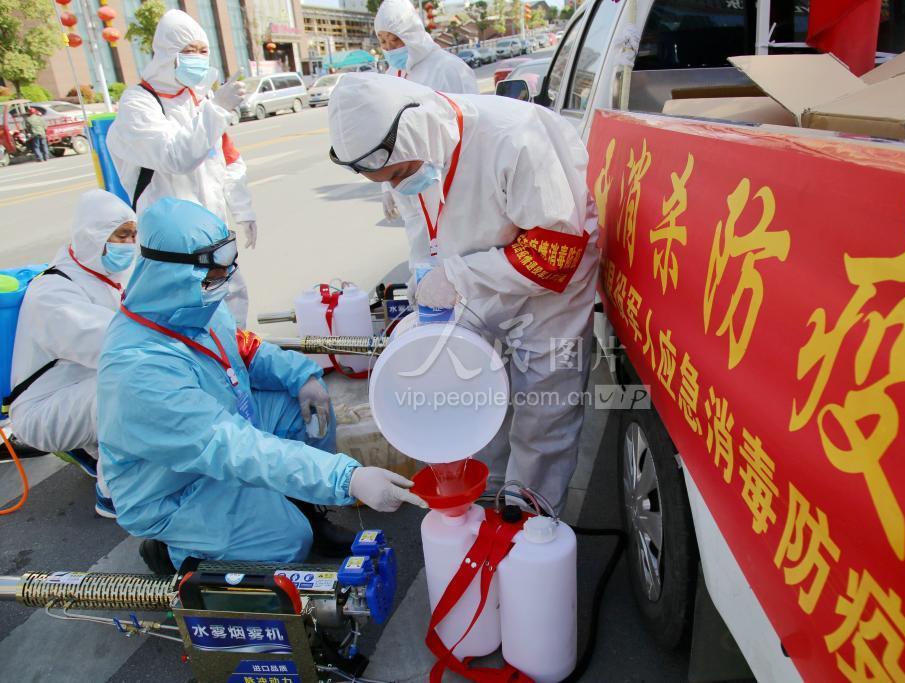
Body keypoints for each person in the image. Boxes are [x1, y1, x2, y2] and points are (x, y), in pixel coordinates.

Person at [97, 197, 425, 572]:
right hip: (175, 488)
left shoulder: (192, 306)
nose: (225, 281)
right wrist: (345, 478)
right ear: (174, 275)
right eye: (216, 274)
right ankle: (172, 552)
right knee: (288, 542)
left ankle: (304, 511)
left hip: (226, 433)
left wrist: (301, 376)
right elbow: (230, 445)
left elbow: (246, 350)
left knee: (307, 410)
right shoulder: (139, 369)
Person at [327, 74, 600, 512]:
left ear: (416, 133)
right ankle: (487, 497)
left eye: (398, 175)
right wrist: (425, 279)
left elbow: (555, 255)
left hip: (549, 296)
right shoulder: (417, 155)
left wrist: (457, 277)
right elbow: (425, 230)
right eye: (385, 181)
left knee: (542, 410)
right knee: (477, 395)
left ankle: (532, 518)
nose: (397, 186)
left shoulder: (515, 138)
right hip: (475, 283)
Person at [107, 9, 255, 327]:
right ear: (167, 53)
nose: (198, 58)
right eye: (189, 51)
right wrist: (216, 110)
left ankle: (232, 357)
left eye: (203, 51)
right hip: (172, 245)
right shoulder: (139, 104)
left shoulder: (198, 100)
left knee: (231, 313)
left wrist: (243, 209)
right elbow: (174, 156)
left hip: (213, 236)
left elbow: (228, 160)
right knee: (183, 323)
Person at [6, 190, 137, 518]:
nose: (129, 244)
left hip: (72, 390)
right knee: (132, 386)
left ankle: (92, 447)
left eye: (133, 235)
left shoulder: (103, 275)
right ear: (92, 235)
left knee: (130, 380)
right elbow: (115, 343)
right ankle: (114, 492)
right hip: (42, 410)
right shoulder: (53, 293)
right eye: (121, 236)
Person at [374, 0, 478, 220]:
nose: (389, 48)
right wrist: (387, 186)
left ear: (410, 34)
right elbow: (387, 135)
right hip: (410, 193)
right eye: (383, 41)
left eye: (395, 39)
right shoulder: (392, 75)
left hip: (451, 188)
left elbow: (472, 130)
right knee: (421, 240)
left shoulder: (448, 69)